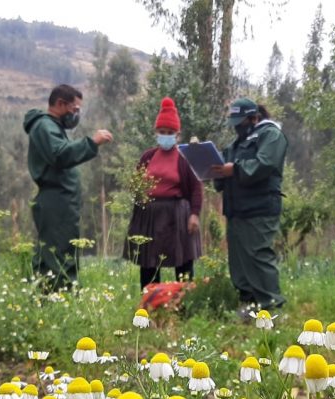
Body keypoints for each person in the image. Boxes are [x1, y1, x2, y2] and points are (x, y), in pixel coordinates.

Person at [23, 84, 113, 290]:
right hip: (55, 202)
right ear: (60, 104)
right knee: (59, 254)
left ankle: (47, 295)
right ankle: (61, 295)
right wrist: (92, 143)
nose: (76, 114)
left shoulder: (54, 127)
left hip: (63, 202)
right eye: (75, 109)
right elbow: (60, 155)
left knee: (57, 252)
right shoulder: (44, 126)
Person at [213, 98, 288, 312]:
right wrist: (213, 171)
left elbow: (265, 164)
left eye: (240, 122)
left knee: (258, 255)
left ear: (254, 118)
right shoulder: (234, 145)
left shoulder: (271, 135)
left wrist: (234, 169)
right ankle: (248, 302)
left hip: (260, 207)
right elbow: (222, 175)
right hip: (236, 209)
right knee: (238, 259)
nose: (237, 127)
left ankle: (270, 305)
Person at [124, 97, 203, 290]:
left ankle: (184, 300)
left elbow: (196, 187)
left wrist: (194, 214)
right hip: (151, 216)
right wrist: (137, 196)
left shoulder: (185, 157)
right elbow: (136, 184)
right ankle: (149, 300)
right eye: (162, 132)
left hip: (178, 214)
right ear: (156, 132)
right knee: (149, 263)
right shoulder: (148, 156)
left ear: (177, 135)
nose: (165, 136)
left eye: (170, 133)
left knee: (183, 263)